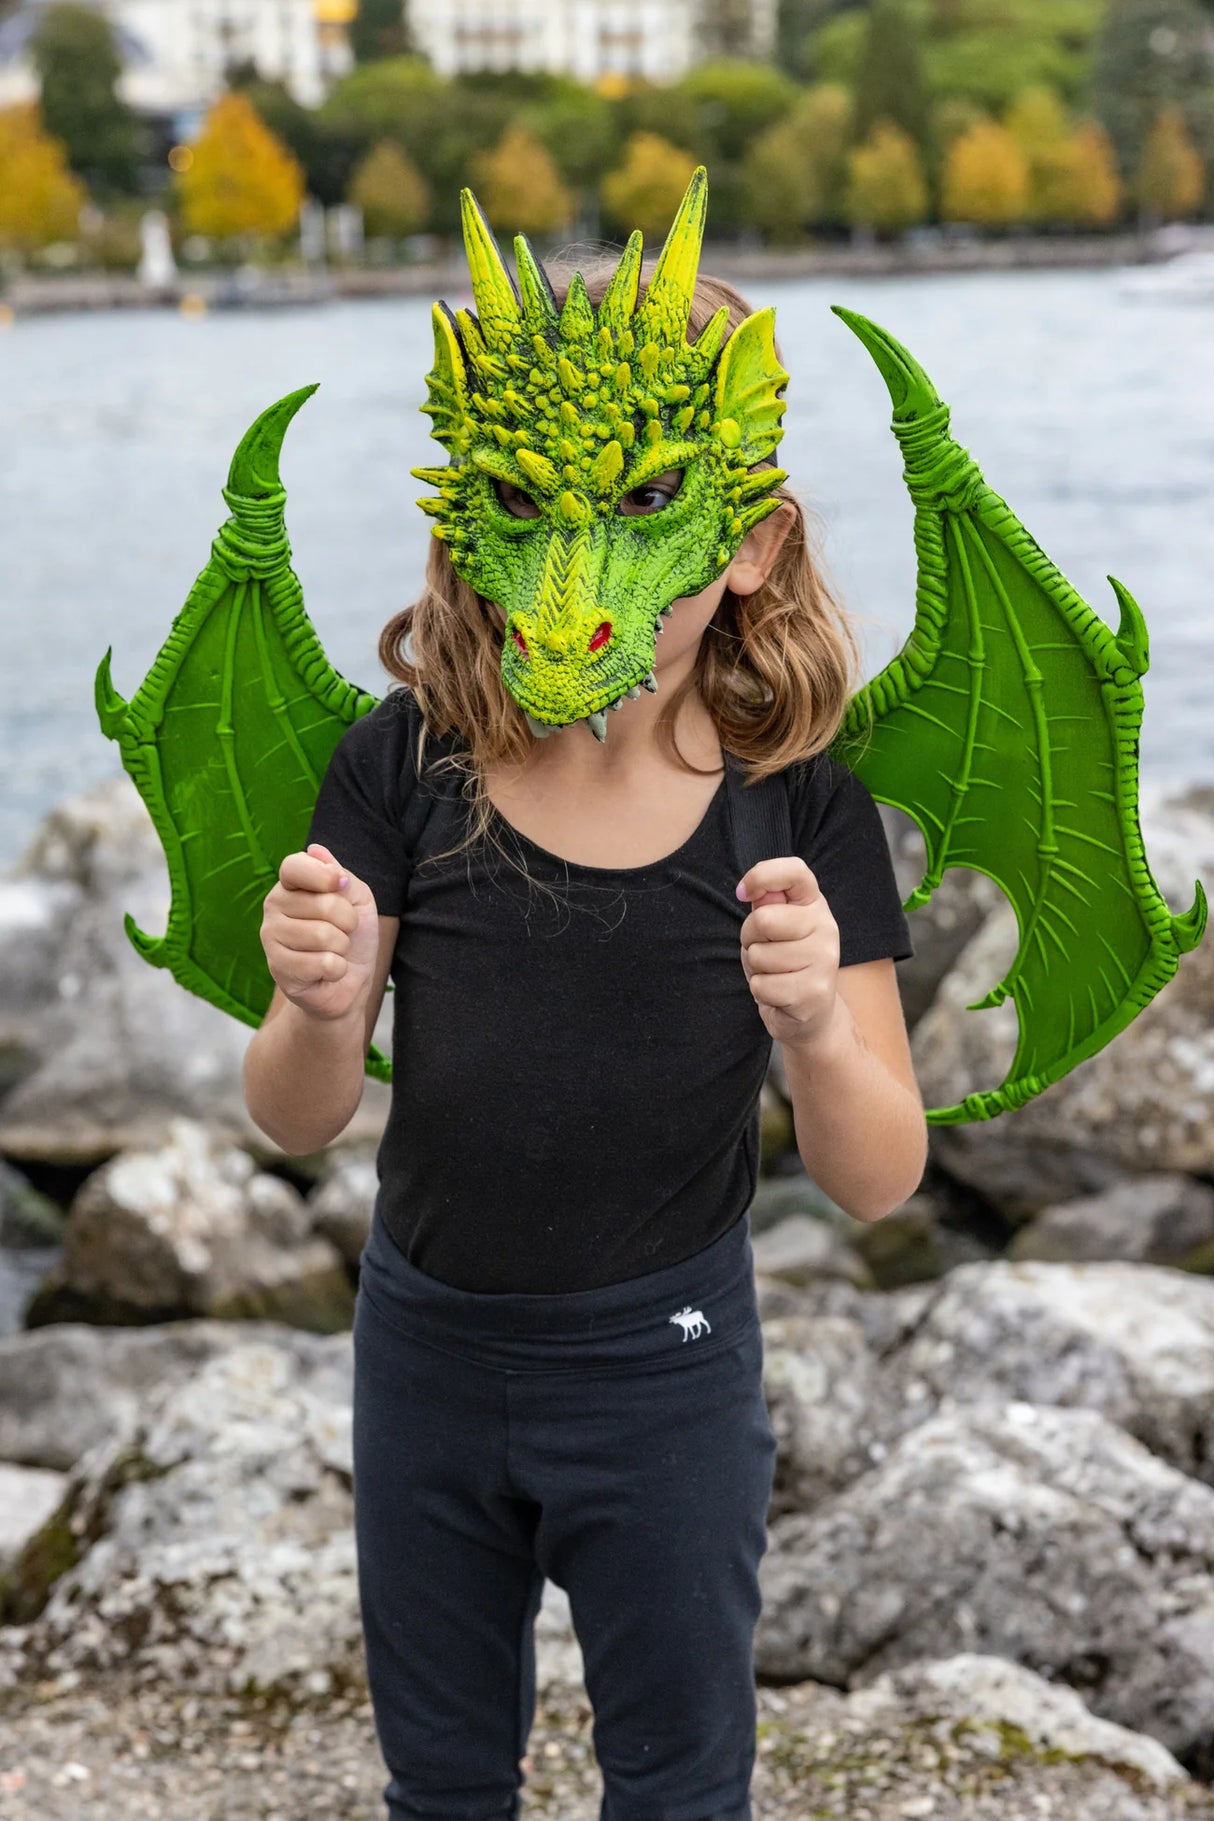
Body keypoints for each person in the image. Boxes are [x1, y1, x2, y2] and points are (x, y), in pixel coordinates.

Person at [242, 259, 928, 1820]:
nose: (584, 568)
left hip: (666, 1376)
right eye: (537, 512)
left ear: (752, 543)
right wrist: (321, 1001)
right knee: (443, 1783)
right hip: (420, 1357)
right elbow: (294, 1116)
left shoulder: (798, 802)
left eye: (644, 509)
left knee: (680, 1783)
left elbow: (881, 1177)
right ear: (478, 512)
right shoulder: (402, 763)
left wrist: (818, 1022)